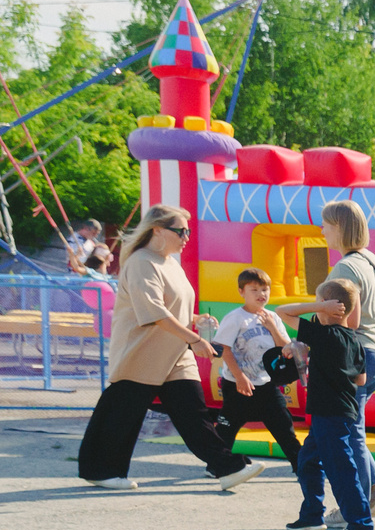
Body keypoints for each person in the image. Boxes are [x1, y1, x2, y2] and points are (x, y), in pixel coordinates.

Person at [74, 204, 262, 492]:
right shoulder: (140, 262)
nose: (186, 237)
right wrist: (194, 338)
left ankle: (227, 467)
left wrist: (197, 320)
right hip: (142, 352)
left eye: (188, 231)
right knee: (120, 414)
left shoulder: (170, 262)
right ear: (158, 230)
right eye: (181, 231)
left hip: (174, 354)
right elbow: (154, 311)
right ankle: (101, 471)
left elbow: (174, 308)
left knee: (194, 414)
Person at [272, 199, 375, 515]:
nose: (322, 231)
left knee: (351, 432)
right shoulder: (372, 261)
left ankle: (359, 503)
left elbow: (333, 320)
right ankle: (374, 489)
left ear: (340, 228)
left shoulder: (344, 268)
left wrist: (303, 343)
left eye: (326, 226)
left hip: (352, 357)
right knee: (348, 426)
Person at [284, 280, 375, 530]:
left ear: (328, 306)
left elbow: (284, 311)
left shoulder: (323, 335)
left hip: (329, 413)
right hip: (341, 412)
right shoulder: (354, 341)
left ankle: (360, 525)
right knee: (308, 460)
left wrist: (318, 305)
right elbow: (361, 380)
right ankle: (312, 515)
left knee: (340, 469)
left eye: (320, 301)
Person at [212, 268, 301, 470]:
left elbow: (285, 348)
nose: (261, 294)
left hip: (266, 383)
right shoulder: (235, 318)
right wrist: (240, 376)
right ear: (242, 292)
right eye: (254, 290)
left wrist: (272, 327)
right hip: (237, 383)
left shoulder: (272, 317)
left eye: (264, 289)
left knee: (283, 425)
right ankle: (218, 464)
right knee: (228, 427)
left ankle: (301, 463)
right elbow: (223, 348)